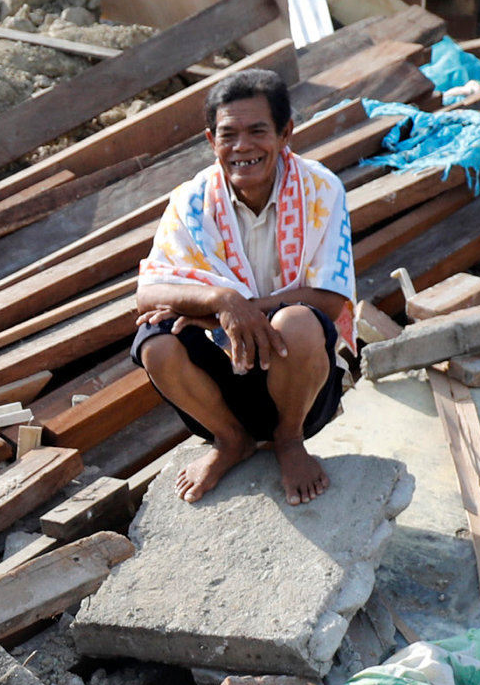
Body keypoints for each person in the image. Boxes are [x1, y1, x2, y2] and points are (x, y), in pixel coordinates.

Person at [132, 67, 356, 507]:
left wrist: (245, 311)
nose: (242, 148)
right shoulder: (191, 202)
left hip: (301, 382)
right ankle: (230, 440)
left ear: (285, 132)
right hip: (225, 378)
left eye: (258, 131)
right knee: (155, 343)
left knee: (300, 321)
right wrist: (222, 301)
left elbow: (330, 298)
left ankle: (289, 441)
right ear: (210, 141)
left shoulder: (320, 189)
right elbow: (148, 292)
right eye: (228, 135)